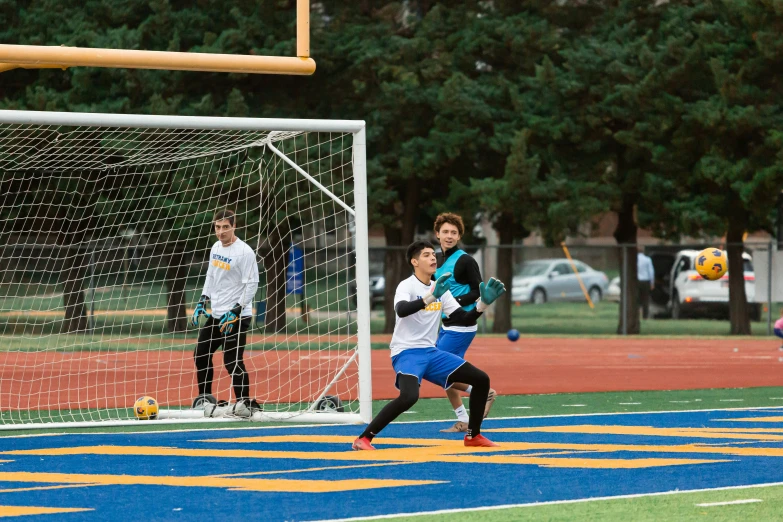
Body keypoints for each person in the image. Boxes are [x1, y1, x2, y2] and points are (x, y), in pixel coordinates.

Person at [352, 240, 506, 451]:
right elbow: (402, 310)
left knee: (481, 379)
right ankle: (364, 438)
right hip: (406, 352)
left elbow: (463, 318)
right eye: (426, 255)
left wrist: (483, 304)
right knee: (409, 397)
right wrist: (432, 295)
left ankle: (473, 435)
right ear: (414, 262)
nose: (432, 257)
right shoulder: (407, 285)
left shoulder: (440, 287)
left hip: (431, 352)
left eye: (433, 254)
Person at [191, 209, 261, 417]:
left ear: (234, 227)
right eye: (217, 227)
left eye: (225, 227)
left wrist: (236, 310)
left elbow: (252, 284)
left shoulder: (245, 252)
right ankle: (204, 399)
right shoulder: (215, 247)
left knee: (232, 360)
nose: (221, 232)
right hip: (217, 313)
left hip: (237, 315)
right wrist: (203, 299)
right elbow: (211, 275)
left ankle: (243, 405)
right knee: (201, 354)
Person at [433, 213, 496, 433]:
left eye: (453, 232)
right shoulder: (436, 260)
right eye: (445, 232)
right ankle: (463, 420)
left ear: (459, 236)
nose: (449, 236)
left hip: (462, 324)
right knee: (448, 372)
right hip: (446, 324)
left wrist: (454, 303)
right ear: (437, 234)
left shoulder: (465, 260)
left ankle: (481, 390)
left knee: (437, 370)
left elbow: (478, 290)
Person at [637, 247, 655, 319]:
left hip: (637, 281)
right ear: (643, 251)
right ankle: (645, 316)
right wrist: (652, 283)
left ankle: (636, 315)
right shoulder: (647, 259)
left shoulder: (634, 260)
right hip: (645, 281)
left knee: (636, 299)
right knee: (645, 299)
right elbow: (651, 272)